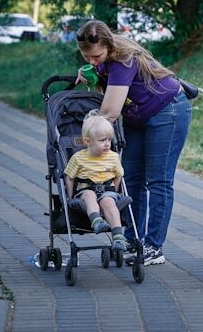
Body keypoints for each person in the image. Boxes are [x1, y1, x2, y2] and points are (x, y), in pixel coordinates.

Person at [74, 20, 192, 266]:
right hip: (140, 116)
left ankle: (153, 246)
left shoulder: (123, 59)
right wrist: (94, 75)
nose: (92, 61)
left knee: (158, 180)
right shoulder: (104, 62)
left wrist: (87, 138)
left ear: (108, 46)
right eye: (86, 57)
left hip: (168, 111)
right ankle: (132, 239)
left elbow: (109, 112)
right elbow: (105, 96)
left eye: (96, 56)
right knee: (130, 178)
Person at [64, 110, 126, 251]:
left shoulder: (113, 157)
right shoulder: (78, 158)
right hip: (86, 189)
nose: (107, 144)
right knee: (89, 195)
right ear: (87, 141)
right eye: (102, 140)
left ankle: (118, 237)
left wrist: (114, 191)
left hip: (107, 190)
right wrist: (69, 195)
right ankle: (97, 221)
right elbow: (69, 177)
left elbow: (118, 175)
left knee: (109, 202)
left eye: (109, 140)